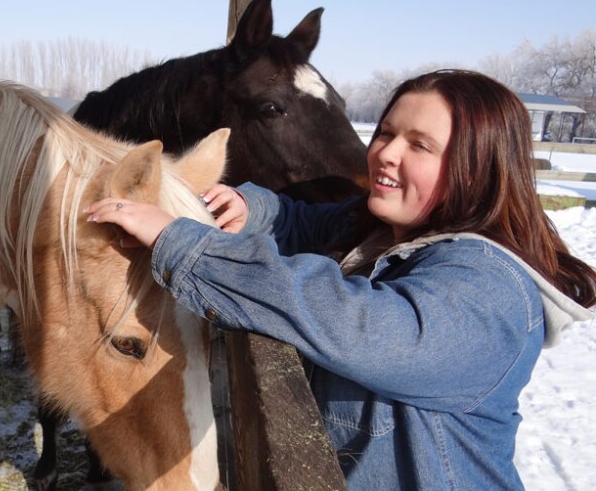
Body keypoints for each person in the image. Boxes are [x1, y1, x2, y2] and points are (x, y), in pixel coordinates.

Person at [84, 69, 596, 490]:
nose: (386, 154)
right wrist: (247, 205)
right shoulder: (386, 230)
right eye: (387, 133)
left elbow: (357, 324)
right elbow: (299, 220)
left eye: (420, 145)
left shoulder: (492, 289)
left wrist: (182, 243)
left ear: (476, 170)